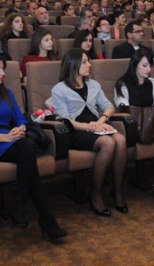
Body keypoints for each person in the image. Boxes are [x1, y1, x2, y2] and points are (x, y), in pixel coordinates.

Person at [0, 53, 66, 237]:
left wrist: (21, 129)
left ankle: (20, 205)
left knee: (27, 145)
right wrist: (2, 138)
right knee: (28, 151)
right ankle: (42, 216)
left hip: (13, 137)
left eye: (3, 68)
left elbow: (20, 118)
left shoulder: (7, 92)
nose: (3, 73)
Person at [51, 49, 128, 216]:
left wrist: (101, 121)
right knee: (108, 143)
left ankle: (117, 191)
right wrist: (90, 127)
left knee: (120, 140)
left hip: (96, 124)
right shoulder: (59, 89)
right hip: (76, 130)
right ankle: (96, 193)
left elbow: (108, 106)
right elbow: (64, 120)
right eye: (84, 62)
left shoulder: (94, 85)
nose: (89, 64)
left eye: (88, 61)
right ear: (73, 65)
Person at [113, 50, 154, 204]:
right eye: (144, 65)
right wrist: (152, 116)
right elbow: (125, 109)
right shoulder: (123, 84)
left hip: (149, 125)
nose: (148, 69)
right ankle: (117, 191)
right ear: (135, 65)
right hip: (131, 126)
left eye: (150, 65)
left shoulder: (152, 83)